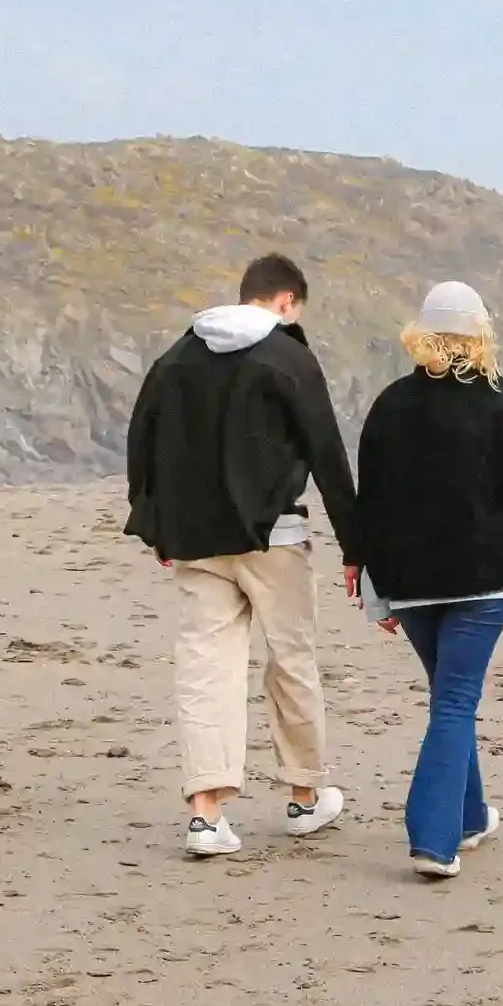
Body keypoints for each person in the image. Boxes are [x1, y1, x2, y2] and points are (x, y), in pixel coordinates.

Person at [125, 254, 362, 858]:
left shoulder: (178, 356)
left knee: (206, 669)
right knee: (291, 661)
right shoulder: (288, 356)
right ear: (286, 301)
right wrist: (358, 547)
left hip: (195, 540)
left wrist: (153, 522)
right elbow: (327, 452)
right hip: (274, 537)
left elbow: (142, 438)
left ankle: (206, 815)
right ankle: (305, 797)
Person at [353, 282, 503, 879]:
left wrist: (376, 587)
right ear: (479, 335)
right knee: (454, 702)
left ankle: (469, 819)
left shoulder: (390, 404)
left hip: (411, 583)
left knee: (450, 697)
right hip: (483, 578)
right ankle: (433, 840)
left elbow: (373, 501)